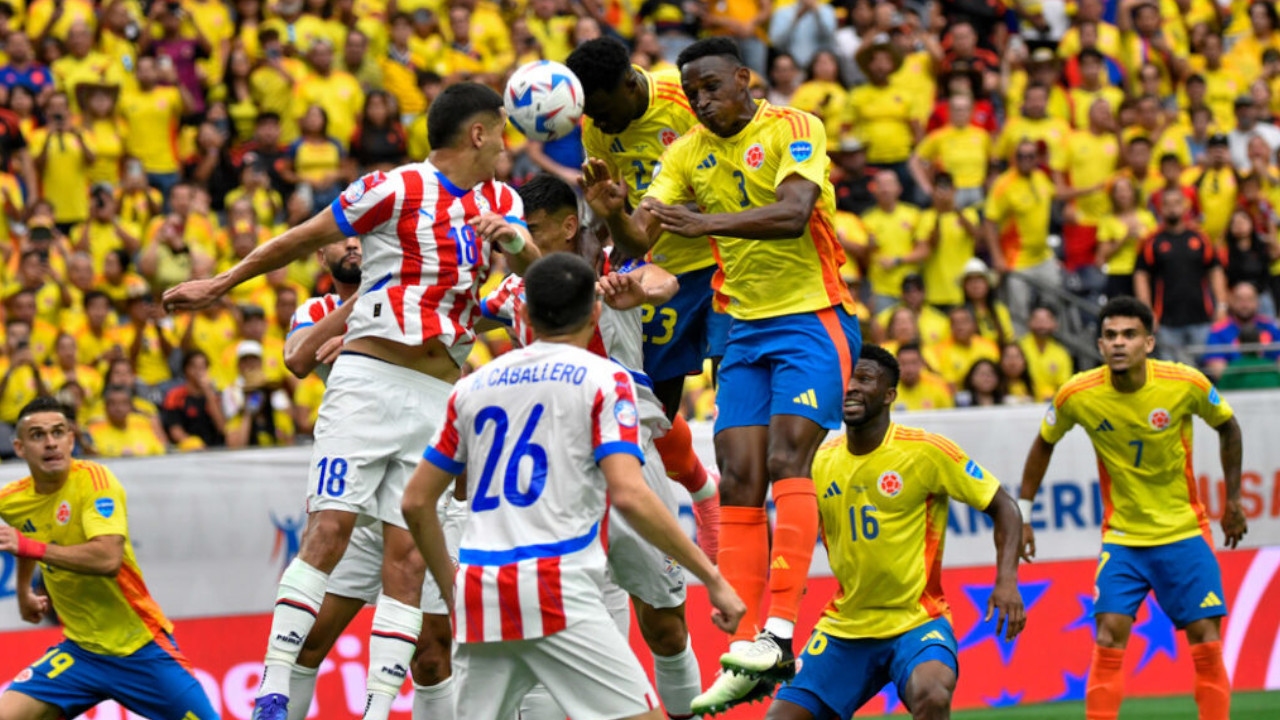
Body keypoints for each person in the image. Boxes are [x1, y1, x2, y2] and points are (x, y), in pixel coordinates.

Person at [162, 82, 539, 720]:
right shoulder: (392, 187)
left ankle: (375, 709)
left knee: (409, 558)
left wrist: (518, 244)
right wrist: (221, 285)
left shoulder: (503, 200)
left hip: (439, 395)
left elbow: (542, 280)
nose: (507, 142)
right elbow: (300, 238)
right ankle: (273, 691)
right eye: (500, 129)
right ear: (478, 134)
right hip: (369, 383)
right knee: (329, 528)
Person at [584, 37, 861, 712]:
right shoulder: (685, 152)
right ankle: (743, 648)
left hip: (812, 316)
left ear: (744, 79)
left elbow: (795, 214)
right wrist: (613, 207)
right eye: (696, 93)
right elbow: (640, 240)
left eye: (712, 88)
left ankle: (780, 630)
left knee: (791, 456)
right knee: (739, 474)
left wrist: (706, 223)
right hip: (742, 326)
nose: (703, 102)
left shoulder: (795, 126)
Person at [402, 252, 744, 720]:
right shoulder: (605, 379)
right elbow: (628, 493)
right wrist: (713, 577)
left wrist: (451, 584)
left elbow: (416, 501)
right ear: (597, 313)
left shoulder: (472, 388)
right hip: (554, 584)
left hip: (482, 591)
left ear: (520, 314)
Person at [480, 174, 706, 719]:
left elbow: (662, 280)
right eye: (513, 232)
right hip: (555, 478)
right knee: (556, 626)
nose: (518, 241)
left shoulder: (610, 275)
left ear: (566, 225)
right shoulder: (511, 293)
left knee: (666, 625)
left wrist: (647, 290)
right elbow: (475, 302)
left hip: (630, 457)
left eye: (529, 230)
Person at [766, 345, 1024, 720]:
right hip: (845, 627)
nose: (851, 387)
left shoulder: (924, 451)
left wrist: (1006, 582)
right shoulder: (819, 461)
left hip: (917, 621)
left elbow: (1005, 508)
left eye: (864, 379)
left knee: (932, 695)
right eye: (846, 379)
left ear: (889, 396)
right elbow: (790, 536)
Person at [1019, 296, 1246, 720]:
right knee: (1108, 635)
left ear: (1149, 342)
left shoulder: (1184, 383)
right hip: (1123, 539)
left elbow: (1228, 427)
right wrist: (1026, 513)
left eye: (1129, 335)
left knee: (1206, 638)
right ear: (1100, 345)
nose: (1118, 343)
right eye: (1110, 336)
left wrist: (1233, 500)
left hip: (1183, 532)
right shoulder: (1078, 394)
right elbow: (1043, 444)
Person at [283, 235, 463, 720]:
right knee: (308, 639)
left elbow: (439, 374)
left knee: (430, 656)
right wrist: (365, 311)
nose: (352, 246)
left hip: (414, 493)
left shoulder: (419, 301)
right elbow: (302, 359)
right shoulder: (317, 309)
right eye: (339, 241)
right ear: (321, 256)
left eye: (361, 239)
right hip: (355, 503)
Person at [567, 37, 723, 549]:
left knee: (741, 416)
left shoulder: (686, 106)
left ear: (632, 85)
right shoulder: (596, 124)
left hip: (723, 264)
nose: (601, 125)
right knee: (652, 413)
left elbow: (629, 222)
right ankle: (698, 497)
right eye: (592, 116)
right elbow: (612, 215)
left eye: (606, 112)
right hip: (658, 274)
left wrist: (616, 219)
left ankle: (732, 527)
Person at [0, 397, 219, 719]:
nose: (50, 443)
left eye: (58, 432)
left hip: (141, 649)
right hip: (80, 654)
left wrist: (30, 548)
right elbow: (24, 533)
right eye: (38, 435)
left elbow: (106, 559)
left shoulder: (95, 482)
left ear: (71, 439)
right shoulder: (13, 500)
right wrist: (23, 592)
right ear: (19, 448)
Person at [1133, 186, 1228, 364]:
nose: (1172, 208)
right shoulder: (1152, 241)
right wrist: (1146, 311)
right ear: (1160, 208)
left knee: (1205, 375)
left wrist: (1222, 304)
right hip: (1167, 322)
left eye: (1177, 203)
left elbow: (1215, 270)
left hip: (1201, 317)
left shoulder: (1200, 237)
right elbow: (1141, 276)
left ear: (1185, 206)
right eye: (1167, 204)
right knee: (1173, 375)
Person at [1203, 282, 1280, 381]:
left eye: (1249, 299)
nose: (1245, 305)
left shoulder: (1271, 327)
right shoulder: (1218, 330)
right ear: (1232, 301)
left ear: (1257, 302)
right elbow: (1217, 368)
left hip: (1270, 387)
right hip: (1234, 389)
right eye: (1240, 299)